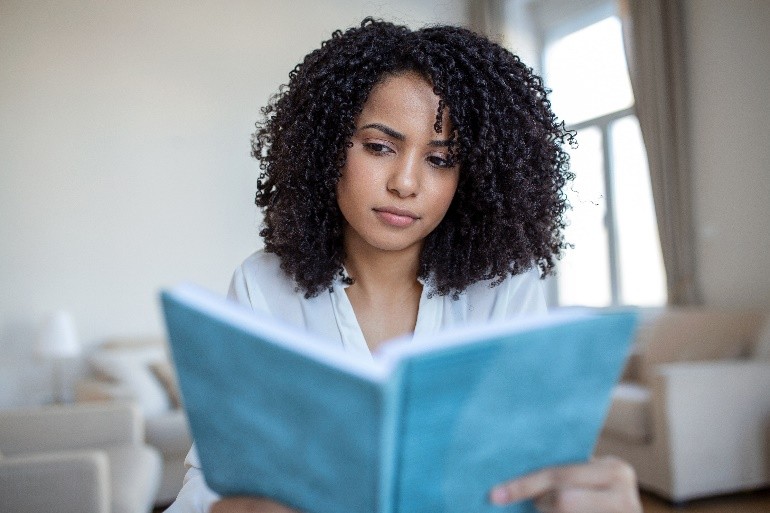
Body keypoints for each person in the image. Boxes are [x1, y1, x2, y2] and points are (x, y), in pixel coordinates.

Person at [166, 18, 642, 513]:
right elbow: (211, 480)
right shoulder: (262, 283)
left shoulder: (505, 289)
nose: (406, 183)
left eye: (440, 160)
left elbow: (533, 475)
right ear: (327, 147)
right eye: (379, 147)